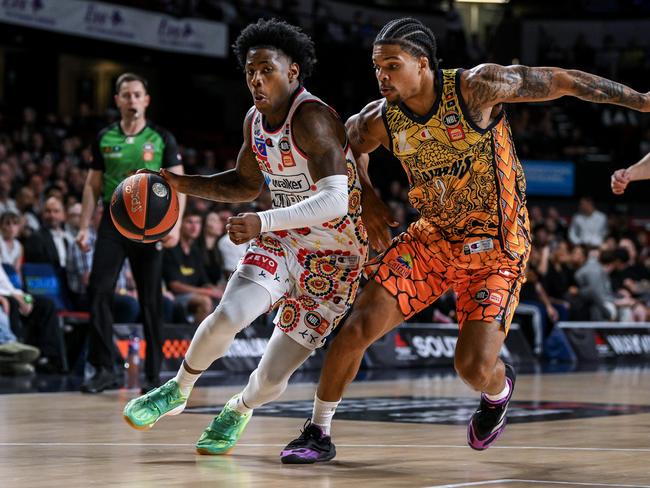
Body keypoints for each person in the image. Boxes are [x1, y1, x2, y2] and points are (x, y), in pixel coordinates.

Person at [282, 17, 650, 462]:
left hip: (497, 246)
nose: (381, 76)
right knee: (355, 329)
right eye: (376, 67)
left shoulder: (477, 88)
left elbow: (562, 81)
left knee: (472, 368)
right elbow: (349, 148)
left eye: (392, 66)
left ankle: (497, 392)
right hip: (432, 239)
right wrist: (370, 199)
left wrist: (642, 101)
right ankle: (317, 432)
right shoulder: (381, 118)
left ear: (423, 64)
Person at [123, 19, 367, 460]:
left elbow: (336, 202)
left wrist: (262, 221)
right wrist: (178, 183)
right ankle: (178, 390)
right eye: (250, 70)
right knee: (227, 315)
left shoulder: (313, 119)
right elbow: (243, 184)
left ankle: (239, 408)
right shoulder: (254, 121)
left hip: (335, 255)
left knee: (273, 376)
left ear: (293, 72)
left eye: (267, 69)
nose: (256, 79)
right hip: (284, 240)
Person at [76, 73, 186, 394]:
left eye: (137, 94)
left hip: (151, 225)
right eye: (126, 95)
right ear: (118, 101)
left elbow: (180, 184)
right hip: (113, 220)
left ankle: (153, 375)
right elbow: (92, 185)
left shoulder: (162, 137)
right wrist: (84, 227)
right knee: (98, 289)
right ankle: (103, 369)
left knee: (151, 299)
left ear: (146, 100)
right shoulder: (104, 138)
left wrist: (175, 227)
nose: (132, 100)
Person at [162, 210, 222, 325]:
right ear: (180, 224)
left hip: (193, 294)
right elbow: (175, 286)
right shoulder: (170, 248)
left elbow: (204, 281)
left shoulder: (196, 251)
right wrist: (207, 292)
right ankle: (195, 340)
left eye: (198, 222)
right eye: (189, 222)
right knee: (205, 301)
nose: (194, 227)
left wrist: (217, 290)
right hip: (172, 296)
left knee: (225, 300)